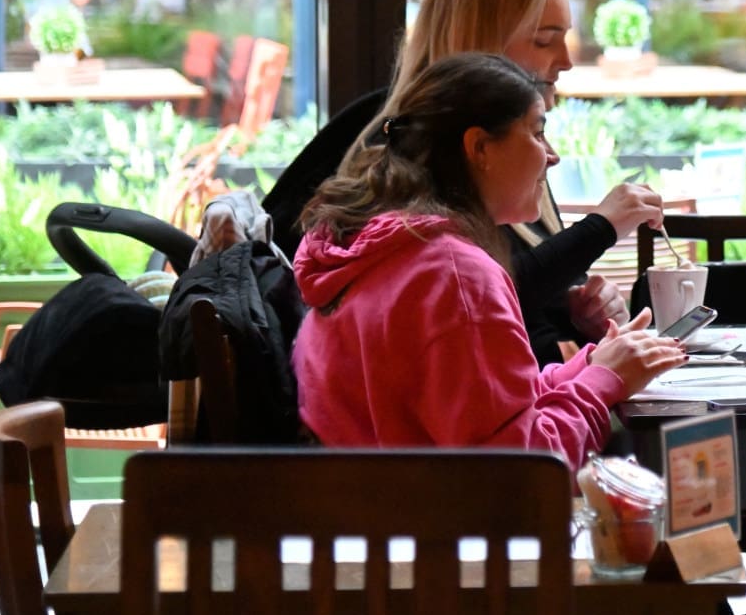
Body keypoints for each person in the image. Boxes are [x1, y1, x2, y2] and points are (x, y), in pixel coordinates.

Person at [263, 0, 667, 363]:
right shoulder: (400, 144)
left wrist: (576, 308)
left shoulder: (512, 140)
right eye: (545, 40)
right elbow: (464, 299)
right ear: (481, 43)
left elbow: (519, 301)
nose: (566, 61)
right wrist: (598, 229)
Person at [292, 52, 684, 455]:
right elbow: (518, 468)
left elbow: (486, 409)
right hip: (436, 514)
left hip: (365, 507)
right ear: (479, 147)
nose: (552, 155)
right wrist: (604, 381)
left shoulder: (379, 247)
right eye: (536, 133)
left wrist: (590, 367)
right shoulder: (454, 275)